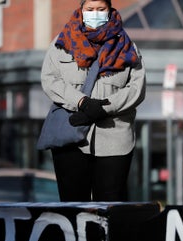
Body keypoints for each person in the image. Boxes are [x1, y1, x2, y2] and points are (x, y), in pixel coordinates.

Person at [40, 0, 145, 201]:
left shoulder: (128, 46)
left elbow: (136, 88)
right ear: (81, 10)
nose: (95, 14)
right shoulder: (61, 43)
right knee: (72, 204)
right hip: (70, 135)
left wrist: (106, 107)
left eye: (100, 9)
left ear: (110, 10)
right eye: (90, 10)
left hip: (115, 137)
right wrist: (82, 102)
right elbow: (50, 79)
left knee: (111, 205)